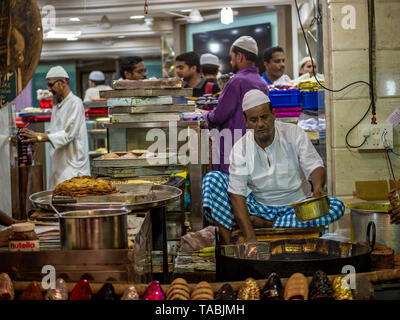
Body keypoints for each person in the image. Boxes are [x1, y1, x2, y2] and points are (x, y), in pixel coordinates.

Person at [202, 89, 345, 244]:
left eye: (264, 117)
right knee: (212, 179)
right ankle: (231, 245)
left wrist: (318, 187)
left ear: (273, 114)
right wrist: (251, 239)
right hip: (259, 208)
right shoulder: (240, 148)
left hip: (297, 208)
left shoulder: (294, 133)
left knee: (335, 206)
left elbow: (314, 165)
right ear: (245, 121)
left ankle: (268, 224)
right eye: (254, 120)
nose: (260, 124)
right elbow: (237, 194)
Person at [199, 36, 269, 174]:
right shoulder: (261, 82)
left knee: (233, 189)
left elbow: (219, 115)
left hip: (233, 146)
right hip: (255, 146)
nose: (231, 61)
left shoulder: (237, 81)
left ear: (240, 57)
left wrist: (204, 114)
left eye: (232, 57)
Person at [19, 66, 90, 189]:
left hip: (73, 168)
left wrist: (40, 137)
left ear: (62, 82)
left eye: (51, 85)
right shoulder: (57, 105)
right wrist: (36, 137)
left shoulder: (75, 103)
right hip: (59, 166)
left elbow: (68, 134)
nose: (49, 89)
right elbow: (53, 131)